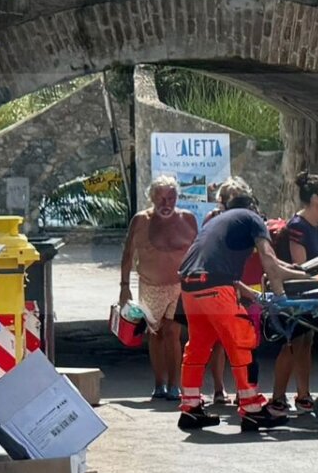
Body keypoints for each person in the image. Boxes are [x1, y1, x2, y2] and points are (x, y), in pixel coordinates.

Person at [175, 177, 305, 433]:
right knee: (242, 341)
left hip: (191, 284)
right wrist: (282, 298)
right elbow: (270, 260)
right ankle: (253, 409)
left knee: (198, 346)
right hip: (214, 285)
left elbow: (218, 264)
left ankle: (190, 408)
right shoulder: (253, 219)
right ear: (254, 207)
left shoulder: (218, 222)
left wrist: (294, 274)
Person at [118, 175, 198, 401]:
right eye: (161, 198)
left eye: (171, 198)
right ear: (151, 198)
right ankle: (159, 383)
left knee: (173, 333)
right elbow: (127, 254)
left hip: (178, 286)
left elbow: (198, 251)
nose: (166, 204)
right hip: (150, 286)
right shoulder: (140, 221)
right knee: (155, 334)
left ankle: (175, 385)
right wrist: (124, 286)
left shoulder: (188, 219)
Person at [268, 170, 318, 415]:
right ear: (316, 199)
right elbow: (302, 267)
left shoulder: (316, 225)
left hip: (309, 294)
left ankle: (303, 393)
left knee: (305, 342)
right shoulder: (298, 226)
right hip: (294, 293)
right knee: (291, 342)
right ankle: (277, 397)